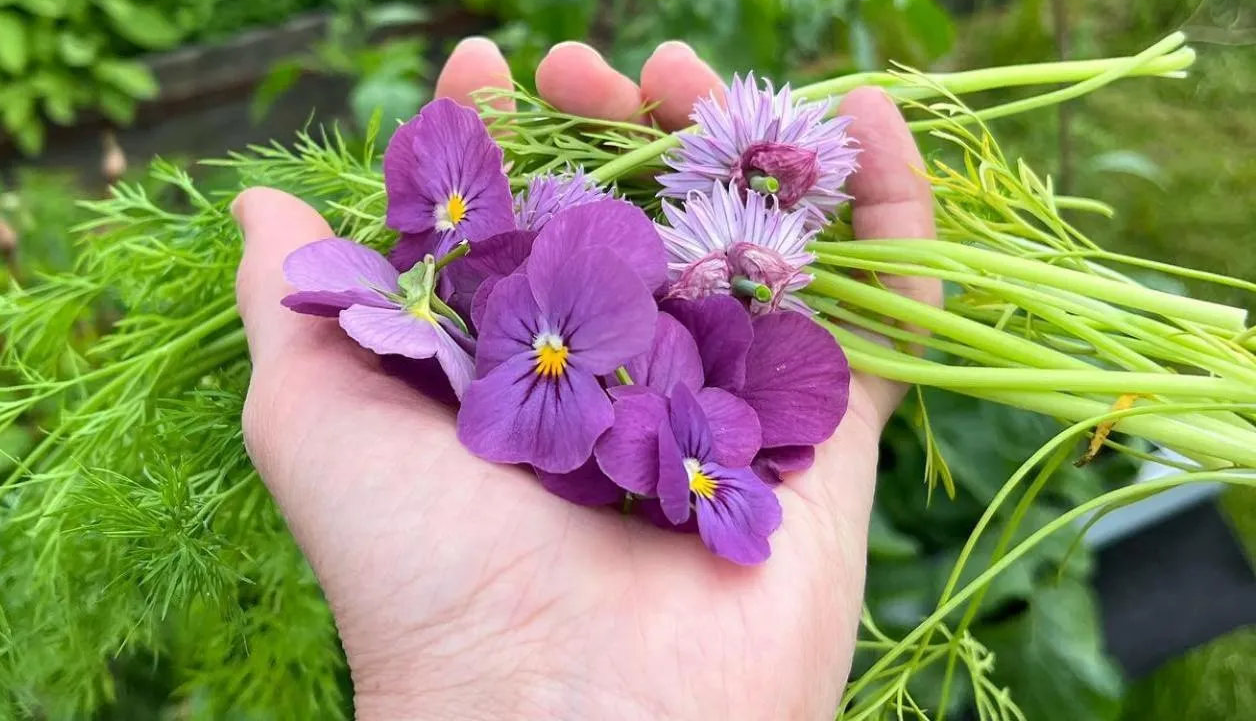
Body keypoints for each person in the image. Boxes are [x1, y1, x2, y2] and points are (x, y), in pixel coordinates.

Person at [233, 37, 939, 721]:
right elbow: (530, 323)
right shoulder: (579, 361)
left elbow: (576, 350)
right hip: (612, 391)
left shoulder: (603, 371)